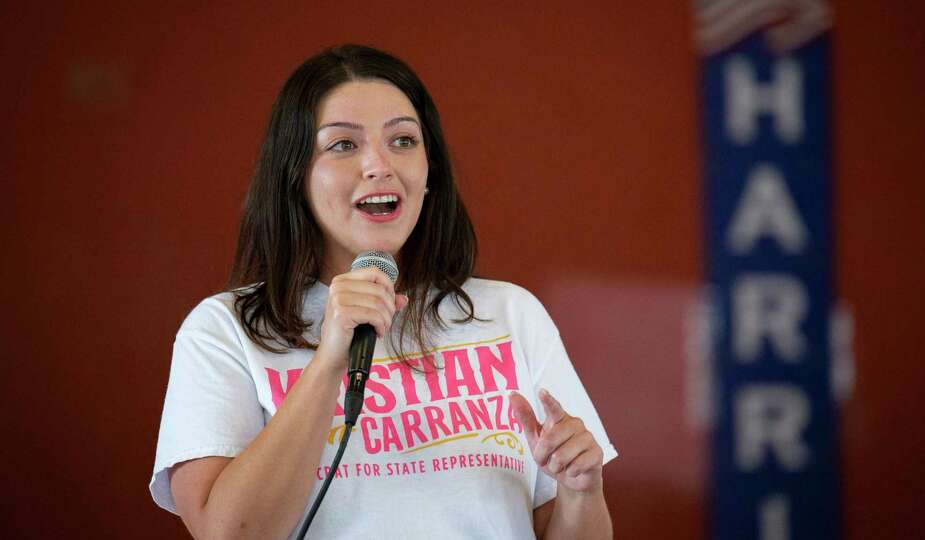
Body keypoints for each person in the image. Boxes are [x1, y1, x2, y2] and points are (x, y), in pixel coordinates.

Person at [150, 44, 617, 539]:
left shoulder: (510, 314)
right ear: (295, 175)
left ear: (429, 170)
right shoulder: (225, 330)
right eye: (344, 145)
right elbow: (229, 534)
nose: (379, 165)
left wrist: (581, 491)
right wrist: (329, 360)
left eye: (402, 141)